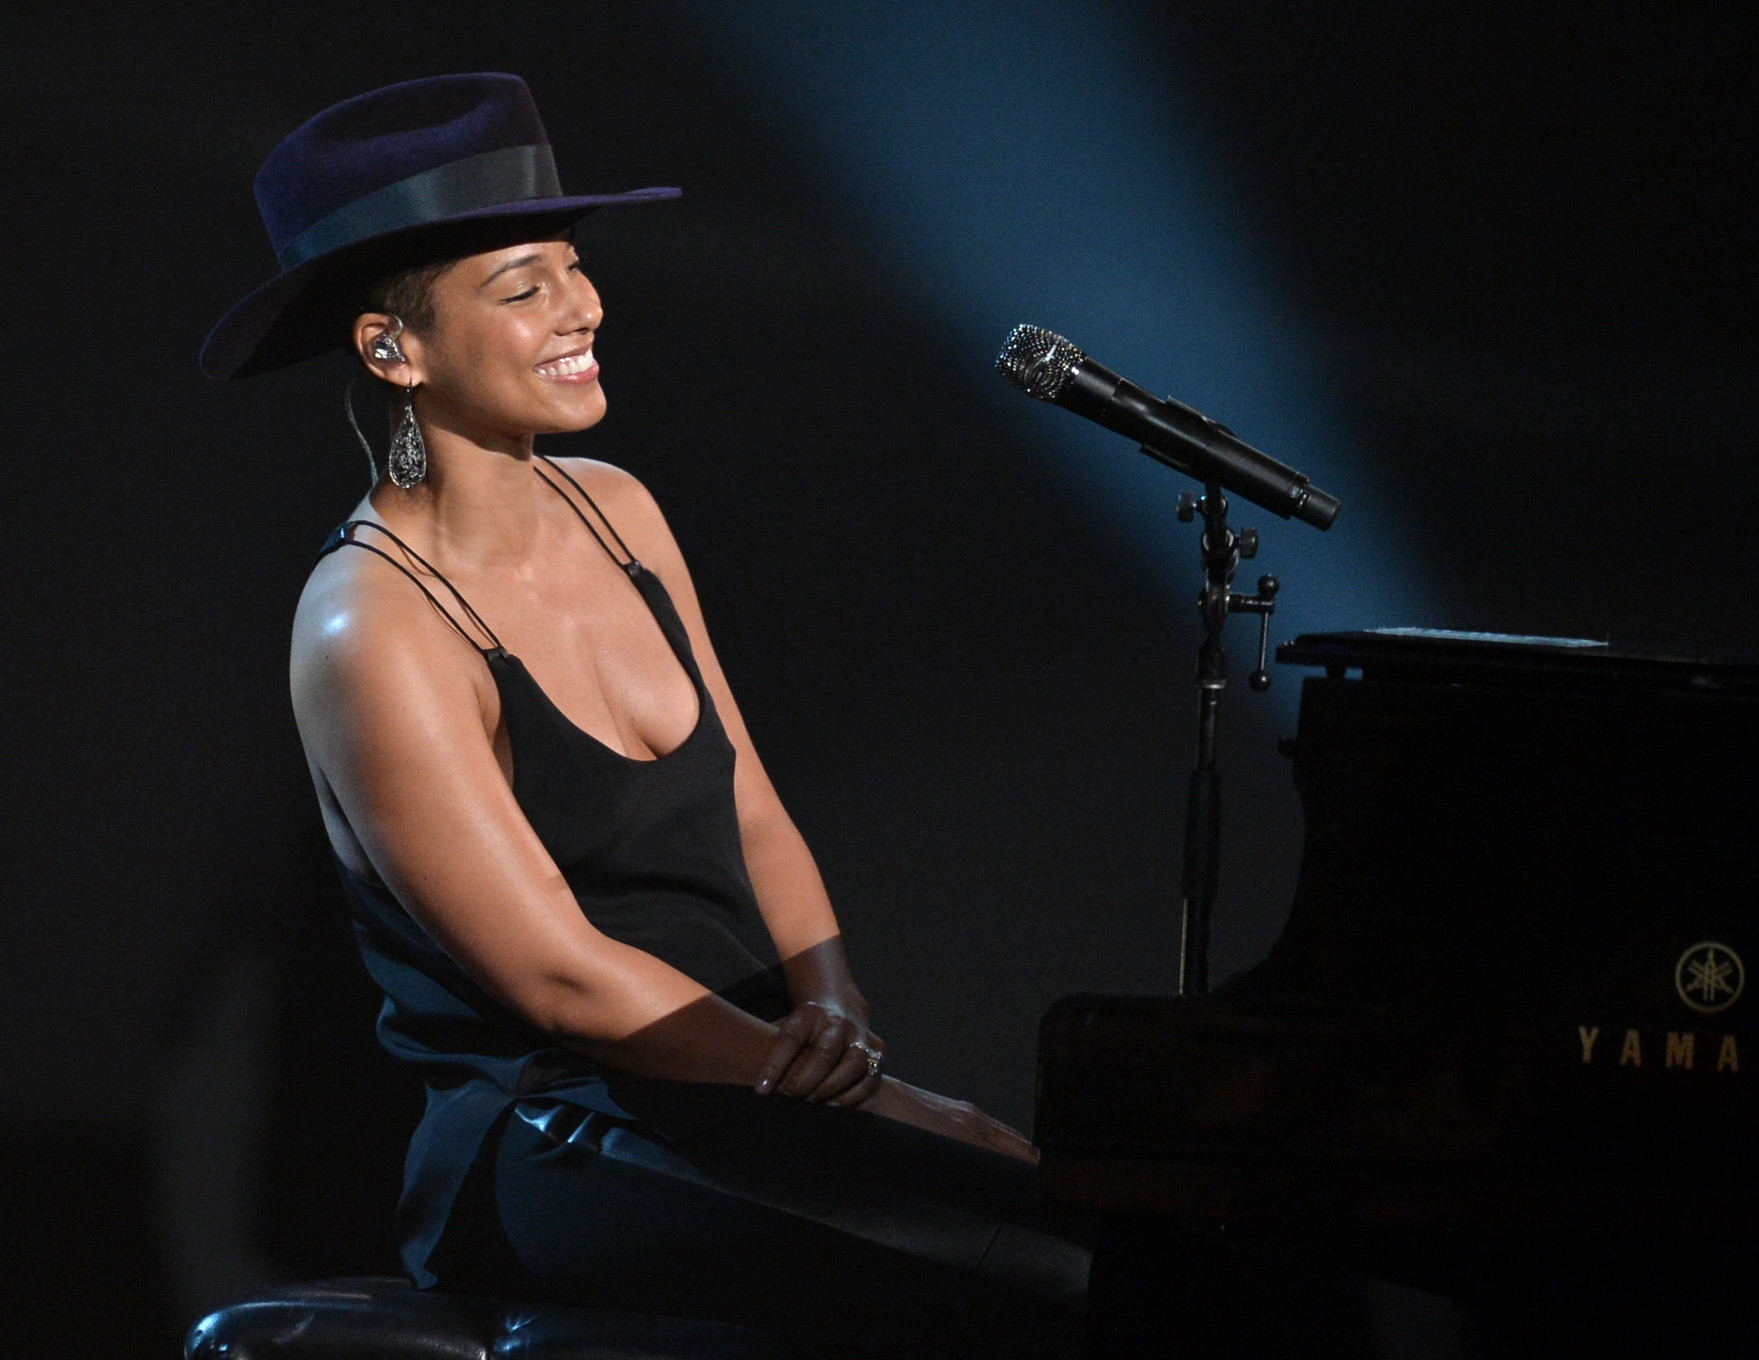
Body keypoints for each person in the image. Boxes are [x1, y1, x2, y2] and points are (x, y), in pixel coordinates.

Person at [202, 73, 1091, 1359]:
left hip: (740, 1085)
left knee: (1106, 1230)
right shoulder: (370, 624)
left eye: (574, 266)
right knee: (1035, 1275)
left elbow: (747, 800)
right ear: (393, 347)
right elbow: (560, 980)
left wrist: (834, 1005)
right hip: (564, 1137)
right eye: (524, 287)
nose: (583, 308)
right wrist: (869, 1101)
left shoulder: (621, 508)